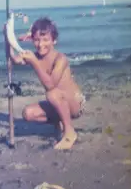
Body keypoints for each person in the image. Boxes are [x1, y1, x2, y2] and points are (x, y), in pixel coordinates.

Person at [5, 17, 85, 150]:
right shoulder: (35, 56)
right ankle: (59, 122)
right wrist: (7, 39)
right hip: (58, 103)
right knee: (28, 113)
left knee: (52, 94)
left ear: (54, 40)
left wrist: (34, 62)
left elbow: (51, 85)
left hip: (76, 103)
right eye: (37, 40)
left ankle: (69, 132)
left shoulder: (61, 59)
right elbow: (13, 60)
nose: (41, 44)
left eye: (46, 40)